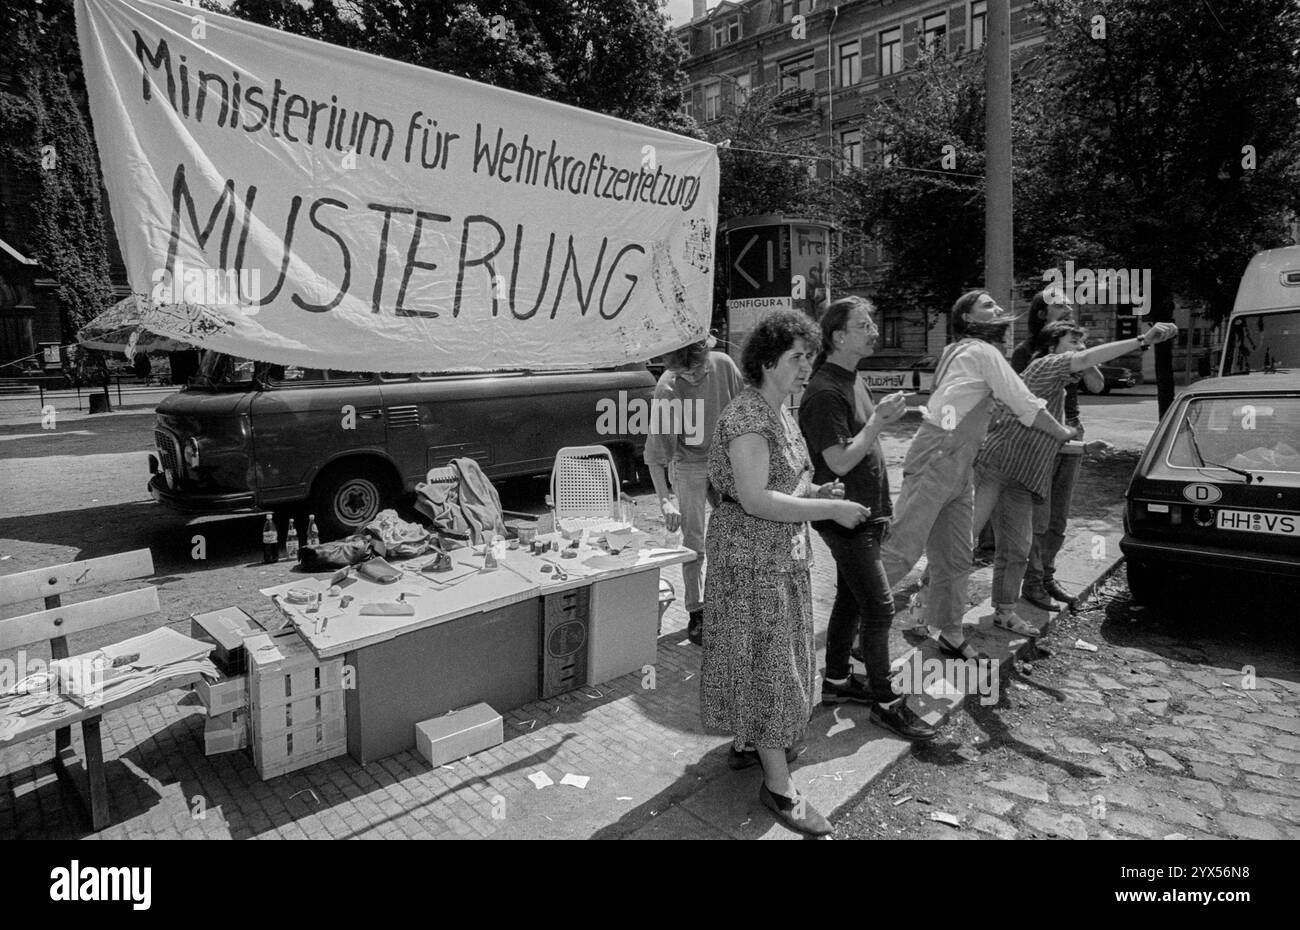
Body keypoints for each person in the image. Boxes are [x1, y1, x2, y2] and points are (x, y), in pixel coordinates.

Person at [700, 309, 870, 837]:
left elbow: (784, 482)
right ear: (768, 360)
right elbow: (753, 499)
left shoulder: (778, 409)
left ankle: (751, 742)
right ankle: (780, 787)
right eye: (797, 358)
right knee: (771, 665)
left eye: (810, 357)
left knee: (762, 657)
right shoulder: (749, 416)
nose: (806, 367)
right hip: (752, 562)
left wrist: (816, 493)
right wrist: (829, 511)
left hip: (776, 558)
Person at [878, 291, 1076, 660]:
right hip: (939, 455)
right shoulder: (982, 352)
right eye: (987, 305)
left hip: (959, 461)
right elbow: (1024, 404)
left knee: (955, 557)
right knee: (902, 549)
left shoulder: (962, 353)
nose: (998, 308)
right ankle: (859, 639)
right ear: (968, 319)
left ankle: (950, 633)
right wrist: (1064, 433)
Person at [973, 318, 1178, 634]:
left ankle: (1004, 611)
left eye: (1083, 343)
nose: (1082, 350)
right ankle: (925, 601)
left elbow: (1050, 436)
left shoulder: (1057, 392)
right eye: (1074, 342)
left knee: (1016, 549)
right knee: (962, 541)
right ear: (1053, 347)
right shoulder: (1045, 364)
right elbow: (1083, 362)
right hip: (996, 468)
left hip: (1019, 478)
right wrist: (1143, 339)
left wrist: (1084, 447)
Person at [797, 297, 936, 741]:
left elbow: (868, 451)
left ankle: (837, 682)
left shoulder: (852, 379)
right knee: (880, 608)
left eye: (874, 321)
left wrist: (885, 510)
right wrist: (878, 420)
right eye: (864, 324)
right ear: (839, 336)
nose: (874, 330)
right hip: (844, 515)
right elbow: (838, 462)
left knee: (851, 600)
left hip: (867, 514)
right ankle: (886, 700)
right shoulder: (823, 391)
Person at [644, 336, 744, 645]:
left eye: (697, 369)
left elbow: (748, 411)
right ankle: (696, 610)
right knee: (693, 541)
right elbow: (655, 455)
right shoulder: (667, 389)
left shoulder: (724, 365)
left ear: (705, 354)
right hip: (689, 462)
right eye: (684, 373)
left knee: (738, 528)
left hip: (725, 457)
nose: (693, 377)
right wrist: (665, 501)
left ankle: (730, 600)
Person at [1008, 287, 1100, 610]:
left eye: (1069, 303)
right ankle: (1032, 582)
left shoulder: (1075, 347)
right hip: (1040, 435)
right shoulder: (1026, 351)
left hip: (1072, 429)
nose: (1068, 307)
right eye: (1059, 304)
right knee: (1039, 515)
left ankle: (1046, 575)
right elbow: (1018, 400)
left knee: (1059, 516)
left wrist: (1082, 353)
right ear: (1041, 313)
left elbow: (1097, 385)